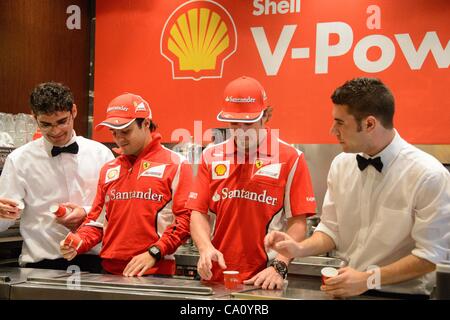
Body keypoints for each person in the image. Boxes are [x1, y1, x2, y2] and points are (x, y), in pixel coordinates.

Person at [265, 77, 450, 298]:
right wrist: (299, 248)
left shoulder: (428, 174)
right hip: (346, 290)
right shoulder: (342, 165)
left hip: (402, 294)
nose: (332, 130)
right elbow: (331, 230)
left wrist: (368, 279)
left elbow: (431, 256)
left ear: (370, 124)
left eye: (340, 122)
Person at [186, 76, 316, 289]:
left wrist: (279, 265)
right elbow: (198, 212)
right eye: (234, 123)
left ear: (267, 116)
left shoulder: (291, 157)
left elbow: (297, 223)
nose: (241, 131)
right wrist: (204, 248)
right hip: (215, 278)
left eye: (248, 123)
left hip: (265, 280)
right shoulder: (210, 155)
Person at [60, 93, 192, 277]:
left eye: (125, 131)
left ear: (146, 124)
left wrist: (155, 252)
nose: (119, 138)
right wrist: (78, 241)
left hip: (155, 272)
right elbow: (96, 222)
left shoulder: (176, 164)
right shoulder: (109, 168)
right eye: (114, 132)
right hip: (109, 272)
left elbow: (185, 221)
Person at [0, 82, 114, 272]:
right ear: (34, 117)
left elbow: (116, 210)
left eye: (62, 121)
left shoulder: (101, 154)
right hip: (41, 267)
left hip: (95, 263)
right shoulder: (19, 160)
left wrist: (86, 213)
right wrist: (2, 213)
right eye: (46, 124)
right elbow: (4, 222)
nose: (55, 131)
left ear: (74, 111)